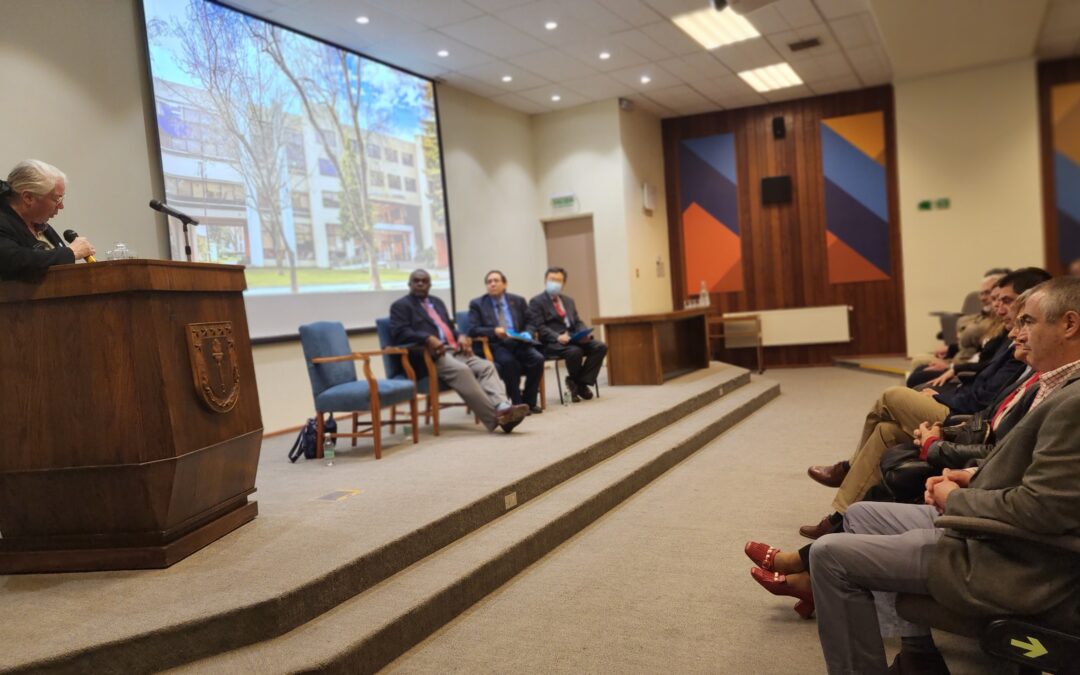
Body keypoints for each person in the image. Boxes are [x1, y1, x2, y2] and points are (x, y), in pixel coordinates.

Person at [806, 276, 1080, 674]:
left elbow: (1042, 509)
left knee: (830, 556)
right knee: (863, 515)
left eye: (1028, 322)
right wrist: (972, 477)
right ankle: (919, 656)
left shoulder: (1072, 400)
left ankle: (912, 655)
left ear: (1069, 325)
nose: (1016, 332)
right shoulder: (1060, 385)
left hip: (1016, 562)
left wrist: (955, 498)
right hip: (997, 534)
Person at [799, 268, 1049, 539]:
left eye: (1007, 302)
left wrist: (942, 405)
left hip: (967, 418)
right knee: (886, 431)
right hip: (969, 415)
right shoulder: (1012, 340)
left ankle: (848, 469)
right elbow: (983, 383)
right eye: (995, 299)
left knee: (891, 396)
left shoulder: (1034, 359)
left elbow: (983, 399)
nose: (1000, 308)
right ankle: (840, 516)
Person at [389, 269, 529, 433]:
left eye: (424, 281)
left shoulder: (437, 302)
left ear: (430, 285)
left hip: (454, 349)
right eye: (416, 281)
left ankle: (503, 405)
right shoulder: (400, 306)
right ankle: (498, 419)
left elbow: (448, 328)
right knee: (463, 370)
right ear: (409, 284)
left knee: (486, 366)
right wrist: (427, 338)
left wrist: (461, 336)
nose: (420, 283)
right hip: (429, 355)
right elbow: (400, 333)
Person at [0, 159, 95, 281]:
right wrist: (70, 252)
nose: (61, 206)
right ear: (28, 197)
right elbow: (16, 260)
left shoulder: (41, 226)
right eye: (57, 200)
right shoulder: (3, 222)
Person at [466, 270, 545, 414]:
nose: (492, 284)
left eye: (496, 281)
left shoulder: (518, 300)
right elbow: (473, 329)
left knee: (538, 359)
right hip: (496, 345)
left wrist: (528, 332)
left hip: (519, 342)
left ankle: (529, 401)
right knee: (510, 363)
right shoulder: (477, 304)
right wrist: (494, 331)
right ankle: (517, 403)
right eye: (489, 282)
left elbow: (530, 321)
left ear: (505, 284)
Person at [527, 266, 607, 402]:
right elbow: (540, 327)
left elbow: (577, 321)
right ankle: (578, 385)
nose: (554, 283)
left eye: (558, 281)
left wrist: (583, 333)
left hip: (573, 338)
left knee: (600, 346)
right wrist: (557, 336)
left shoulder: (568, 300)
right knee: (575, 351)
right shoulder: (536, 301)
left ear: (563, 283)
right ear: (545, 280)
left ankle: (579, 383)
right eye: (551, 279)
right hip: (552, 342)